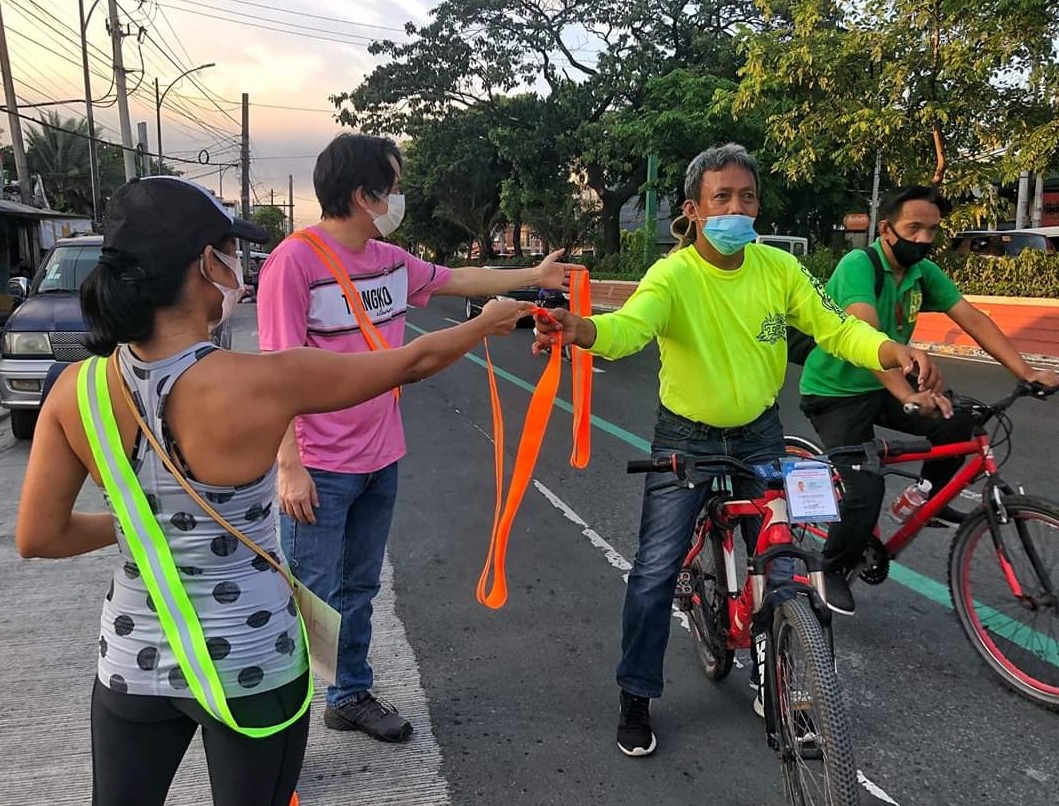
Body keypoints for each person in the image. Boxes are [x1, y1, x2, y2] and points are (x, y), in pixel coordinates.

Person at [14, 175, 531, 806]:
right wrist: (487, 323)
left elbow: (38, 536)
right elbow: (412, 362)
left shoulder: (74, 389)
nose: (239, 268)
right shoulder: (261, 381)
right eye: (232, 253)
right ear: (207, 264)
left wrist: (138, 520)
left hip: (132, 657)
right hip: (254, 657)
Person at [533, 143, 937, 758]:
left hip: (760, 435)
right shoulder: (673, 275)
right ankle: (636, 694)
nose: (736, 209)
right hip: (685, 436)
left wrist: (890, 350)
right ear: (693, 210)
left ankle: (779, 685)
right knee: (655, 571)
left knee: (784, 566)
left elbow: (836, 327)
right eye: (721, 197)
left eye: (746, 197)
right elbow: (628, 329)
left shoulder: (779, 269)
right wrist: (581, 329)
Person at [256, 133, 573, 743]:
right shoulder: (293, 263)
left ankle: (348, 694)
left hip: (381, 456)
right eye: (394, 187)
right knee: (310, 599)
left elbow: (461, 277)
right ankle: (279, 727)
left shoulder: (390, 261)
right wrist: (288, 464)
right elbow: (276, 375)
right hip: (319, 466)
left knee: (359, 586)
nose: (399, 198)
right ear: (363, 195)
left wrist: (534, 274)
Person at [798, 184, 1059, 615]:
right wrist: (907, 394)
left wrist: (1025, 372)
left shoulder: (923, 273)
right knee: (865, 489)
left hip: (887, 386)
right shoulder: (858, 266)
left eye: (932, 230)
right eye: (913, 228)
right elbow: (865, 335)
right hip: (836, 393)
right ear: (886, 230)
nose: (923, 238)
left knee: (959, 420)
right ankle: (831, 569)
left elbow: (973, 319)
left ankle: (926, 498)